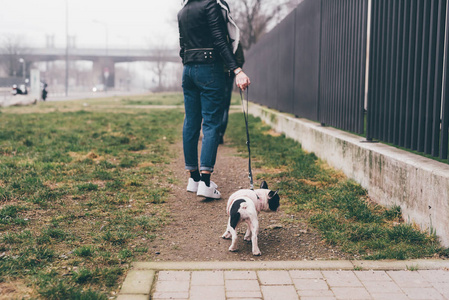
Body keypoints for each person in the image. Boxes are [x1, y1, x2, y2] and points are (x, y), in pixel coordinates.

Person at [178, 0, 250, 199]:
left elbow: (182, 46)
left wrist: (190, 65)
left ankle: (194, 179)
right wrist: (237, 69)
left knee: (191, 122)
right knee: (211, 124)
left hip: (188, 70)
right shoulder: (210, 4)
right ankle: (206, 183)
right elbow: (220, 40)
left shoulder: (183, 9)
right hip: (209, 68)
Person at [219, 42, 244, 144]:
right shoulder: (234, 37)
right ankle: (220, 134)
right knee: (225, 105)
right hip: (228, 75)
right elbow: (240, 59)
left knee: (212, 104)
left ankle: (211, 133)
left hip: (214, 73)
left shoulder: (213, 34)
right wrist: (234, 70)